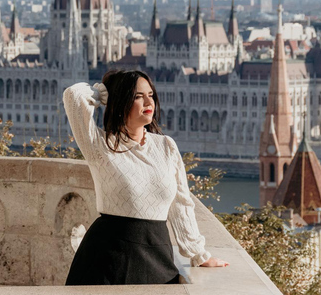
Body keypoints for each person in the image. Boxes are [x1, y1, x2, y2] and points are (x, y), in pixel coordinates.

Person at [63, 69, 228, 285]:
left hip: (158, 253)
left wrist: (198, 254)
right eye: (138, 97)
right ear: (120, 102)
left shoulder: (166, 146)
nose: (148, 102)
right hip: (106, 257)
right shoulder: (100, 146)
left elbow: (181, 203)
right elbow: (73, 96)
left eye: (150, 95)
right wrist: (103, 93)